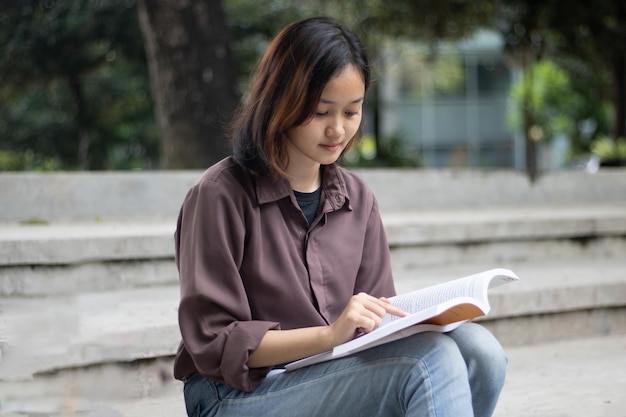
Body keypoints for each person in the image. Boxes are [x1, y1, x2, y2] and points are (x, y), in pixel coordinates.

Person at [174, 16, 507, 417]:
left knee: (482, 353)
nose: (338, 129)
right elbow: (216, 343)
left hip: (327, 373)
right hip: (233, 394)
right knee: (426, 361)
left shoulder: (357, 198)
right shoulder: (219, 195)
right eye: (320, 112)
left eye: (352, 112)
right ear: (281, 101)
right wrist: (331, 335)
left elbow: (377, 322)